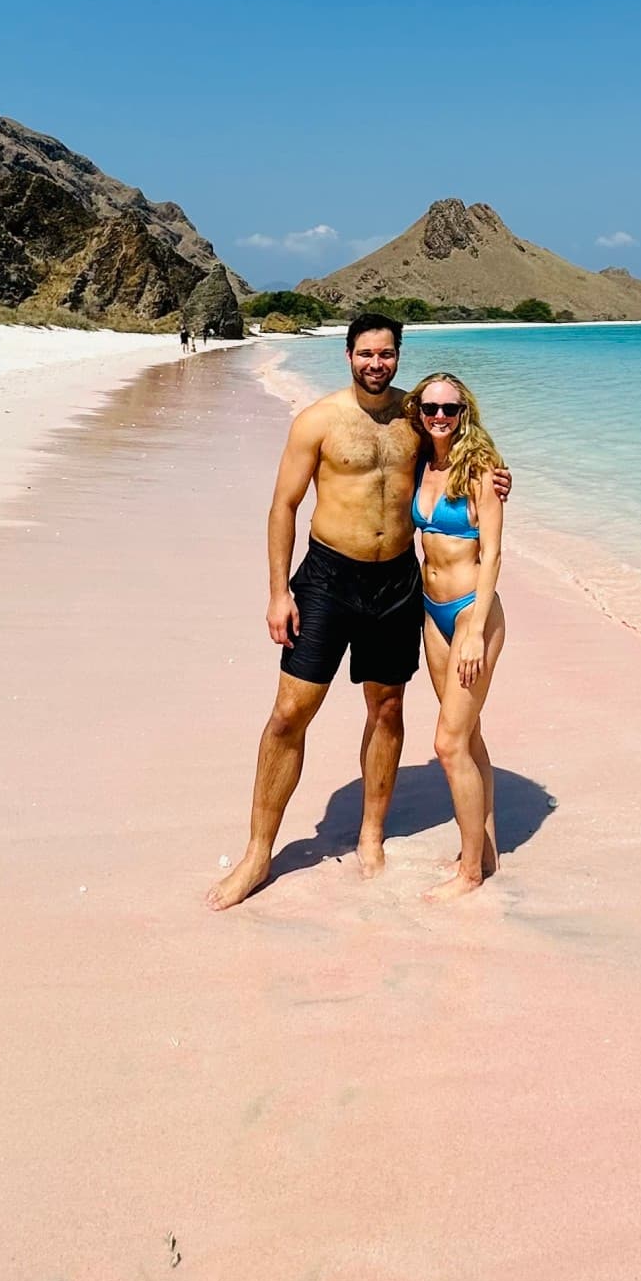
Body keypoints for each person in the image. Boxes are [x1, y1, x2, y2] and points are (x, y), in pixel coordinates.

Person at [206, 313, 507, 911]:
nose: (377, 363)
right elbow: (283, 506)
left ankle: (372, 834)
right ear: (348, 355)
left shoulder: (416, 420)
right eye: (366, 353)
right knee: (290, 713)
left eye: (387, 354)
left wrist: (496, 479)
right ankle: (258, 853)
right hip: (327, 578)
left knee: (388, 706)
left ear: (398, 356)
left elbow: (461, 454)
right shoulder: (318, 421)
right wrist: (277, 591)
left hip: (397, 581)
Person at [408, 372, 506, 897]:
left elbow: (491, 552)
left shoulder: (482, 472)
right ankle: (485, 848)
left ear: (465, 411)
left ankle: (468, 873)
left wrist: (473, 631)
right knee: (466, 734)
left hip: (473, 613)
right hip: (432, 612)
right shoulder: (420, 463)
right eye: (431, 408)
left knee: (447, 743)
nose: (440, 416)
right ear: (419, 412)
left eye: (450, 408)